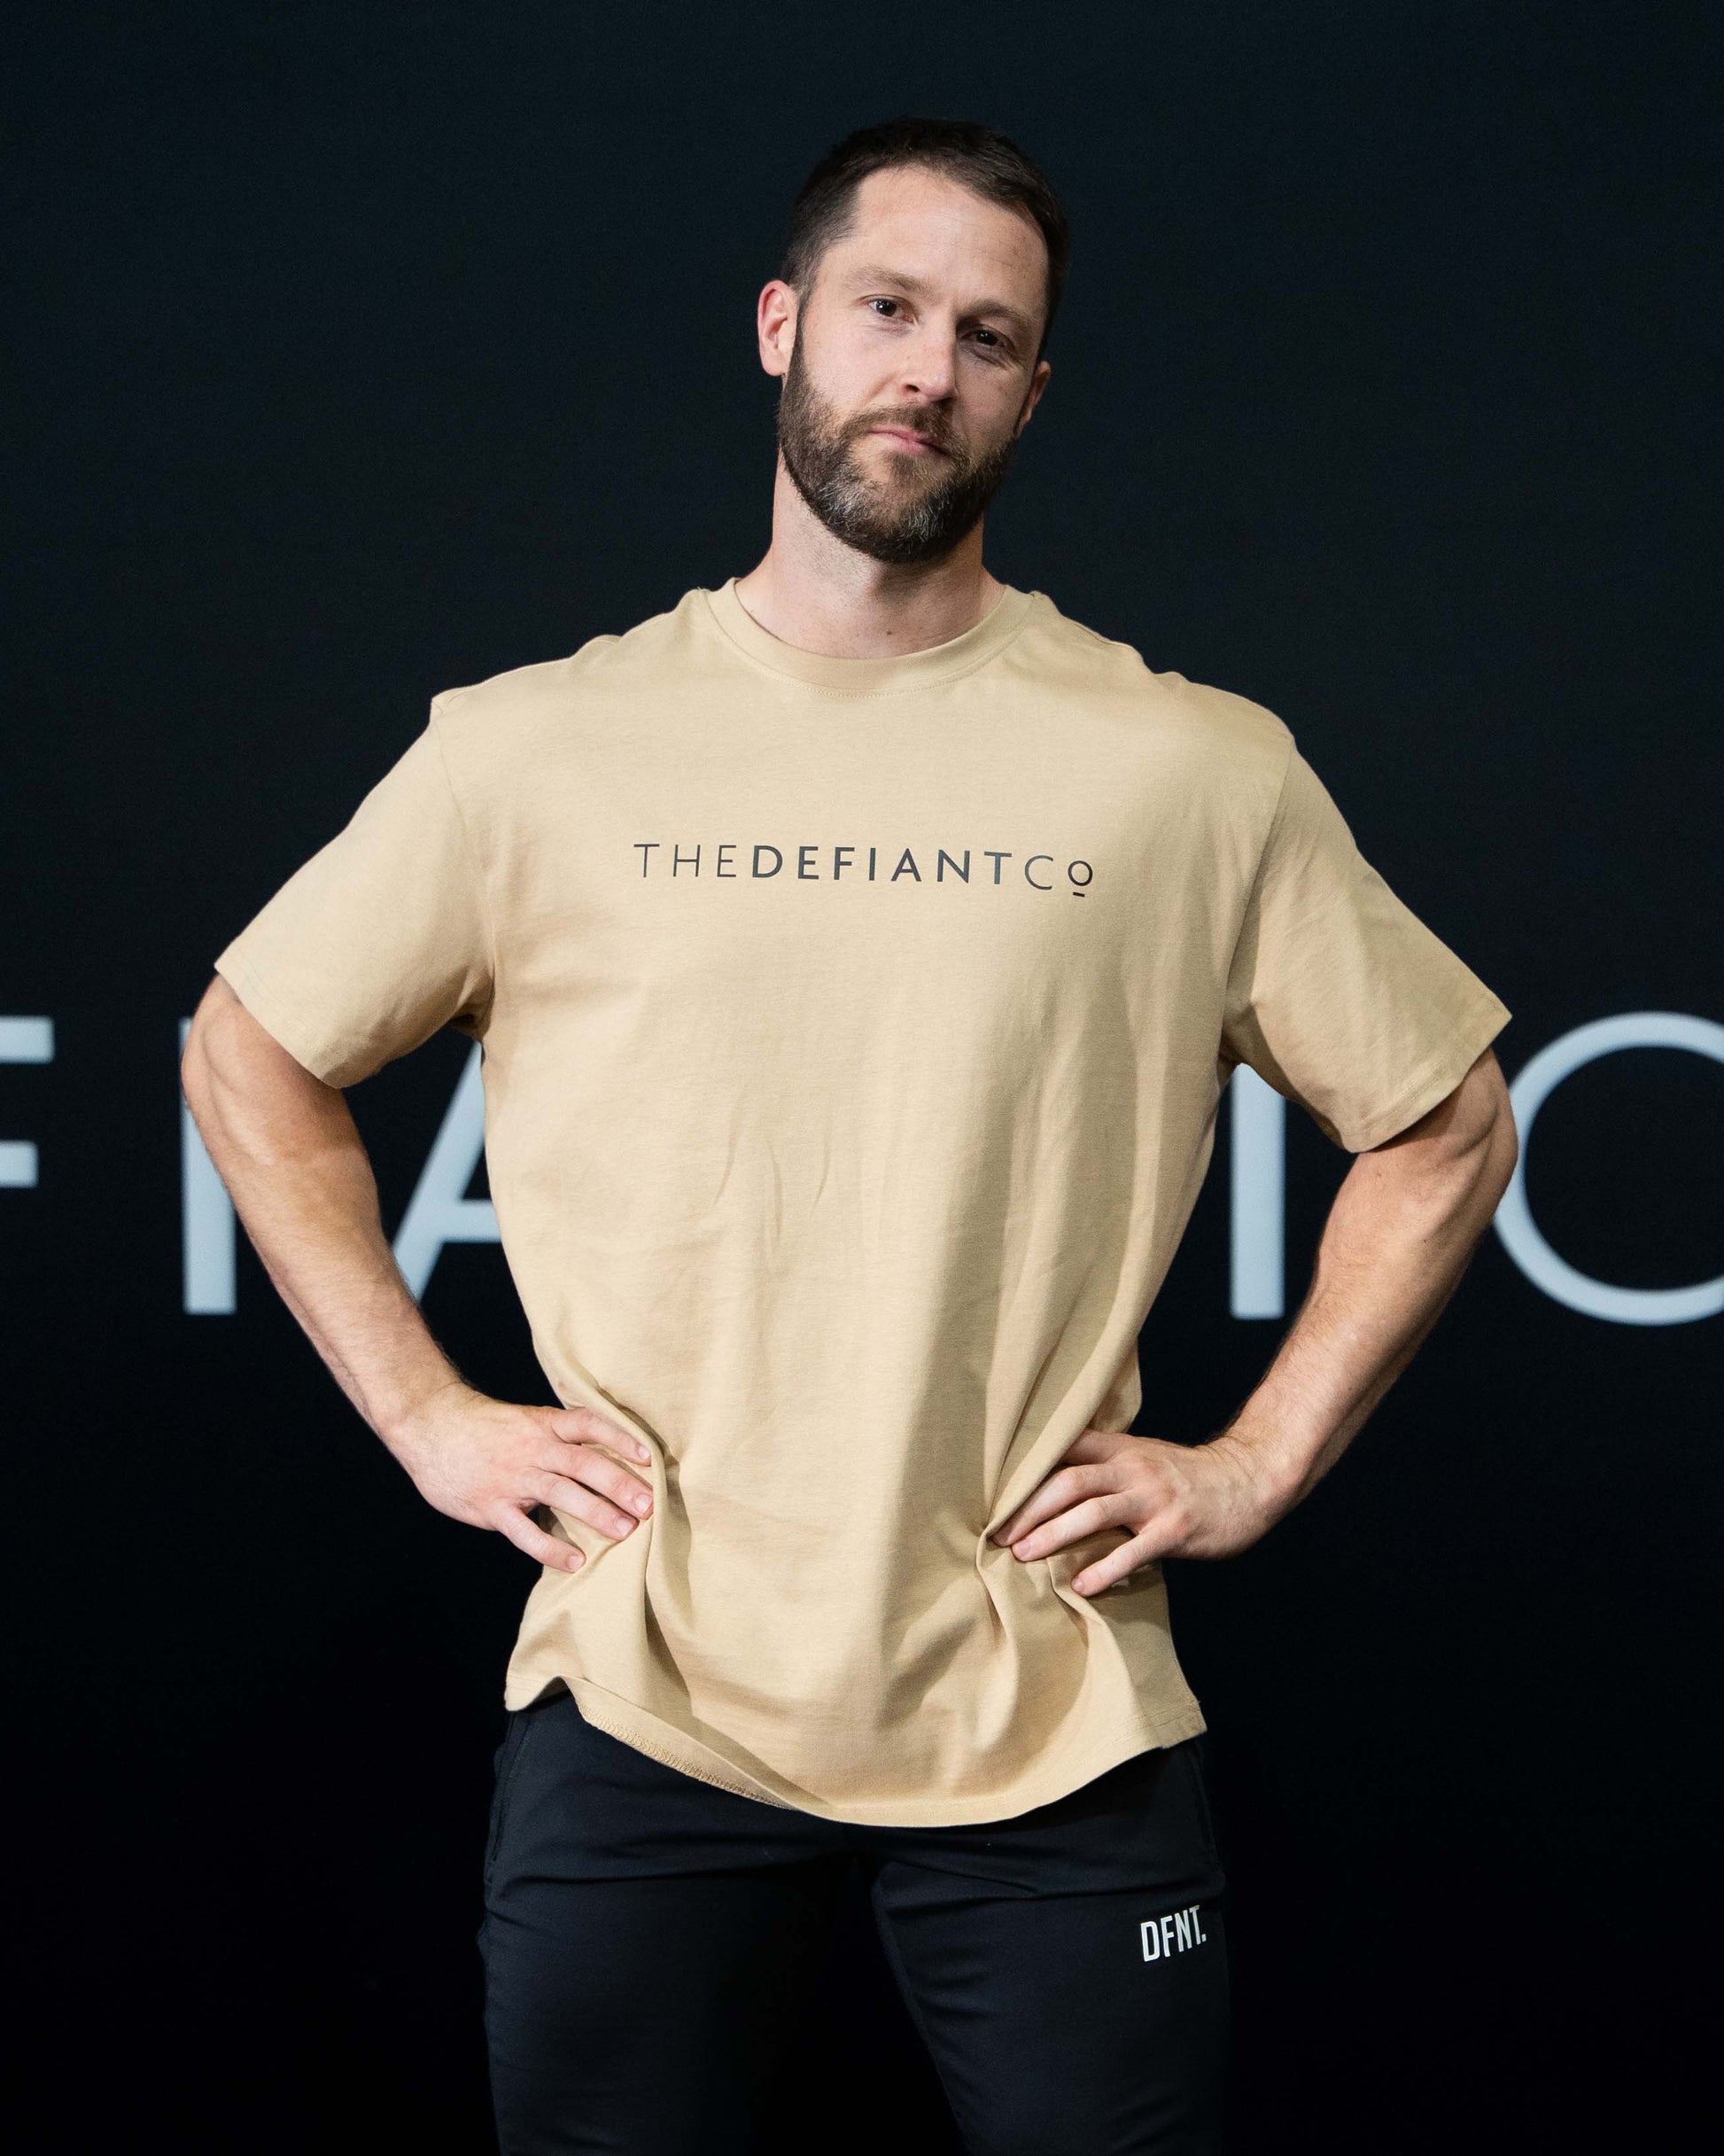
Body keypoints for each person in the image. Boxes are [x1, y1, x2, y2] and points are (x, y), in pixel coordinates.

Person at [181, 115, 1518, 2155]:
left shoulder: (1189, 768)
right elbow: (246, 1049)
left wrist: (1253, 1458)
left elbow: (1440, 1120)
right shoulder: (533, 746)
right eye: (888, 311)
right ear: (784, 325)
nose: (928, 370)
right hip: (649, 1692)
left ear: (1032, 393)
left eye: (989, 338)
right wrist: (426, 1412)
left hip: (1051, 1705)